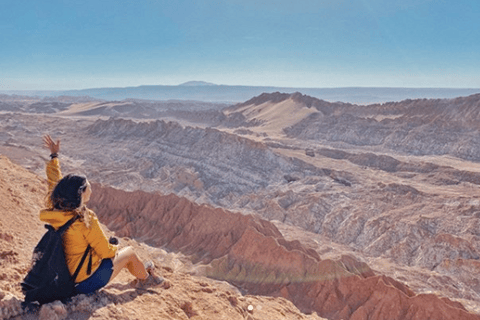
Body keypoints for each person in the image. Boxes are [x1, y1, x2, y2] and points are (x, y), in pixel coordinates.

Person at [40, 135, 161, 295]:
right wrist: (116, 247)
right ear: (81, 192)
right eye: (88, 185)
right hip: (82, 283)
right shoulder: (85, 219)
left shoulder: (55, 207)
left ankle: (143, 274)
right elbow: (106, 252)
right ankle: (146, 280)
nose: (91, 187)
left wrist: (54, 156)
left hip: (62, 277)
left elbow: (55, 182)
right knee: (129, 252)